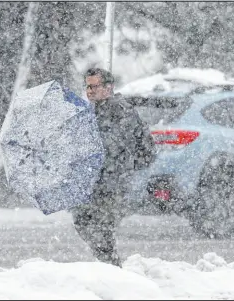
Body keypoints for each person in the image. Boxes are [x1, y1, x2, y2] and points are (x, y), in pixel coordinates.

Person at [71, 67, 156, 267]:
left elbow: (113, 144)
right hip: (95, 182)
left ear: (108, 88)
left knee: (101, 228)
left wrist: (124, 167)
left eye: (94, 86)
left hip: (113, 182)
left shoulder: (120, 110)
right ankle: (109, 267)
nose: (89, 91)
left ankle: (112, 271)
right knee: (84, 221)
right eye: (87, 86)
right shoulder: (93, 110)